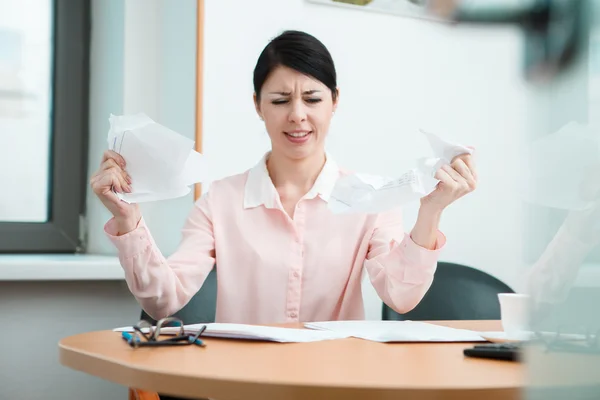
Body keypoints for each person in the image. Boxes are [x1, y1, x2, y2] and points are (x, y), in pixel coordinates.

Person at [90, 30, 478, 324]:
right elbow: (163, 299)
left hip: (334, 387)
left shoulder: (370, 200)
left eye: (312, 99)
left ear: (335, 102)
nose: (297, 115)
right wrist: (128, 220)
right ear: (257, 105)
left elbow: (400, 296)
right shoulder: (221, 201)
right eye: (279, 100)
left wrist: (431, 212)